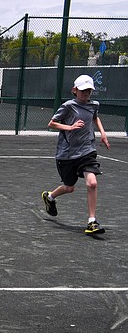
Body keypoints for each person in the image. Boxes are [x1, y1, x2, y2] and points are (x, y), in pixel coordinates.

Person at [41, 74, 111, 235]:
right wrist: (70, 127)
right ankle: (50, 197)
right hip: (66, 154)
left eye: (89, 90)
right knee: (69, 187)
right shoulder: (68, 106)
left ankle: (92, 222)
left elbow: (95, 118)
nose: (86, 93)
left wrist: (103, 134)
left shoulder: (94, 105)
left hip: (87, 150)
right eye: (83, 90)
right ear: (74, 90)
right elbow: (51, 123)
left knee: (92, 183)